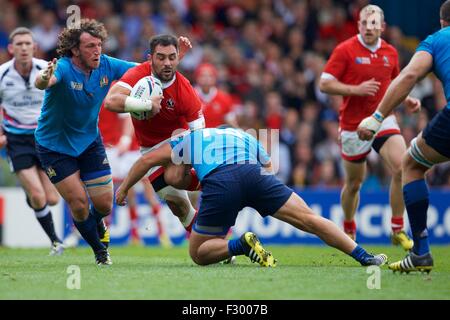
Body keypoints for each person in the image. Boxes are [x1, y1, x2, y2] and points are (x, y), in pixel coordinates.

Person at [115, 127, 388, 267]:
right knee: (311, 219)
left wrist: (125, 187)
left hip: (220, 181)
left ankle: (241, 246)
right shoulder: (243, 135)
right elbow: (267, 167)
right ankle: (365, 256)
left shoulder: (189, 139)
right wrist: (256, 193)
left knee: (199, 253)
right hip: (255, 175)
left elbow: (146, 160)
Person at [33, 19, 139, 265]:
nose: (97, 51)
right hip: (54, 146)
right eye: (90, 46)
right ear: (75, 50)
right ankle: (100, 253)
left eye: (99, 45)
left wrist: (164, 64)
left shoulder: (107, 65)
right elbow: (44, 81)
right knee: (79, 204)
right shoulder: (62, 68)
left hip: (89, 141)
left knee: (104, 205)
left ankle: (97, 221)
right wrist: (43, 77)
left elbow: (141, 70)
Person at [357, 0, 450, 274]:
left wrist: (377, 117)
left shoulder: (438, 39)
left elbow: (409, 75)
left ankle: (420, 252)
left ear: (442, 21)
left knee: (410, 164)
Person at [319, 4, 419, 249]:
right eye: (365, 23)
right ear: (359, 25)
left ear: (382, 27)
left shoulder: (391, 53)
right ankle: (349, 227)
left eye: (374, 23)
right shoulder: (345, 50)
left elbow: (393, 82)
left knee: (402, 167)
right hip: (353, 124)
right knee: (354, 183)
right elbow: (324, 83)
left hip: (382, 117)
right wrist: (355, 90)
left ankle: (397, 228)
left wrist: (405, 99)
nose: (369, 27)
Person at [104, 34, 205, 235]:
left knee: (175, 177)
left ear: (177, 58)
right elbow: (110, 102)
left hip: (179, 141)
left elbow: (200, 137)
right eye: (161, 57)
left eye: (172, 57)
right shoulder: (137, 74)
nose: (167, 63)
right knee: (180, 208)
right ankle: (214, 241)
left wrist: (124, 188)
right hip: (148, 148)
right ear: (150, 58)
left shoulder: (186, 91)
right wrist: (147, 104)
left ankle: (216, 182)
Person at [0, 27, 63, 255]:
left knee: (53, 199)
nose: (24, 48)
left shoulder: (46, 70)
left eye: (28, 44)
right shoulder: (2, 74)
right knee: (38, 196)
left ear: (34, 47)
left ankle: (31, 195)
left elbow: (60, 101)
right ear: (11, 49)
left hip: (45, 139)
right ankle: (56, 241)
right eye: (19, 44)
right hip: (16, 140)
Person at [98, 103, 171, 247]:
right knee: (127, 193)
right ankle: (134, 235)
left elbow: (130, 121)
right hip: (119, 151)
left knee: (149, 190)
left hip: (136, 150)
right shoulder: (113, 97)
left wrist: (125, 140)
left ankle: (162, 233)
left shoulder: (128, 96)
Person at [194, 62, 238, 128]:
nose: (206, 79)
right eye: (203, 76)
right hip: (196, 136)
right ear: (197, 78)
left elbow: (232, 122)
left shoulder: (224, 98)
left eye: (210, 76)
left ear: (215, 78)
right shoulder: (190, 96)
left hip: (218, 137)